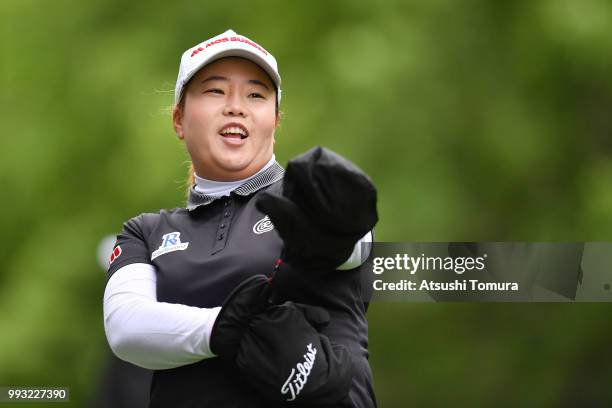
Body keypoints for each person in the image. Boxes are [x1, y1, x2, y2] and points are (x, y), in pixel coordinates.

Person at [103, 29, 378, 407]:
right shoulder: (146, 232)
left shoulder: (307, 197)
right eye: (215, 91)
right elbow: (127, 328)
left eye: (255, 94)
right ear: (179, 120)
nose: (236, 106)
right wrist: (226, 329)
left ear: (275, 121)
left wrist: (330, 240)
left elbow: (353, 242)